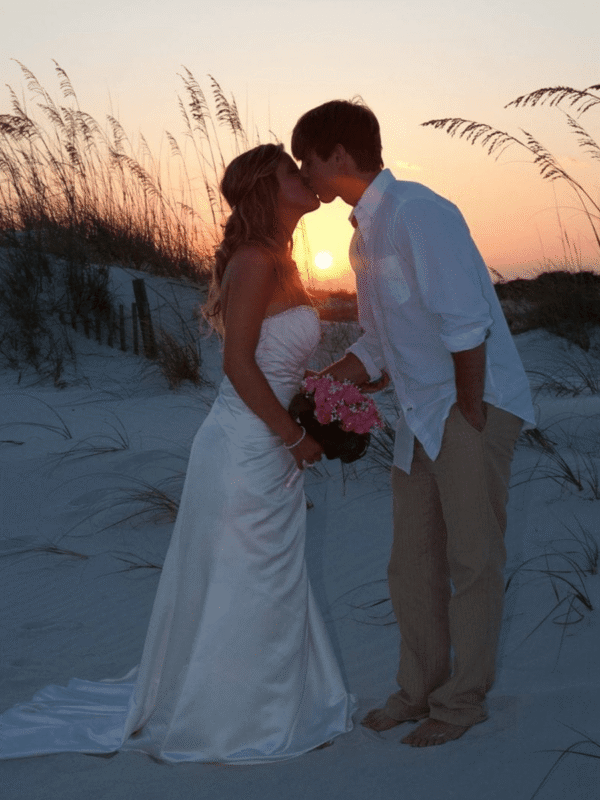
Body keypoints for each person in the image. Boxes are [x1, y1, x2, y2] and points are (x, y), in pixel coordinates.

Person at [0, 143, 358, 764]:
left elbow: (278, 363)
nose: (303, 177)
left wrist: (328, 400)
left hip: (265, 438)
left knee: (266, 573)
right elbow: (239, 365)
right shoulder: (253, 261)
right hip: (246, 444)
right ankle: (233, 718)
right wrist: (297, 437)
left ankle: (272, 700)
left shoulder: (282, 259)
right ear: (266, 191)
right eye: (288, 172)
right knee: (253, 574)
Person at [291, 101, 536, 747]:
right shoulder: (361, 233)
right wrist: (326, 382)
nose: (305, 173)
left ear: (338, 155)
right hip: (423, 413)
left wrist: (471, 411)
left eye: (307, 160)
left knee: (473, 560)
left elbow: (464, 321)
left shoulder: (419, 211)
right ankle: (418, 691)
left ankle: (460, 705)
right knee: (412, 564)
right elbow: (379, 339)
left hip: (466, 405)